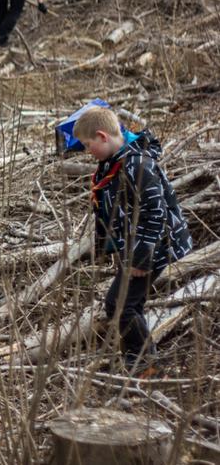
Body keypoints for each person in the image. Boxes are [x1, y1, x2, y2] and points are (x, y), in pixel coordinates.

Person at [74, 106, 192, 375]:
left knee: (119, 303)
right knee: (128, 303)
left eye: (88, 144)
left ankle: (144, 362)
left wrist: (140, 257)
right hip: (138, 245)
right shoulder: (113, 162)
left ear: (103, 137)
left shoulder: (138, 164)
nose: (87, 151)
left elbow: (155, 212)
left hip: (157, 245)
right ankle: (136, 356)